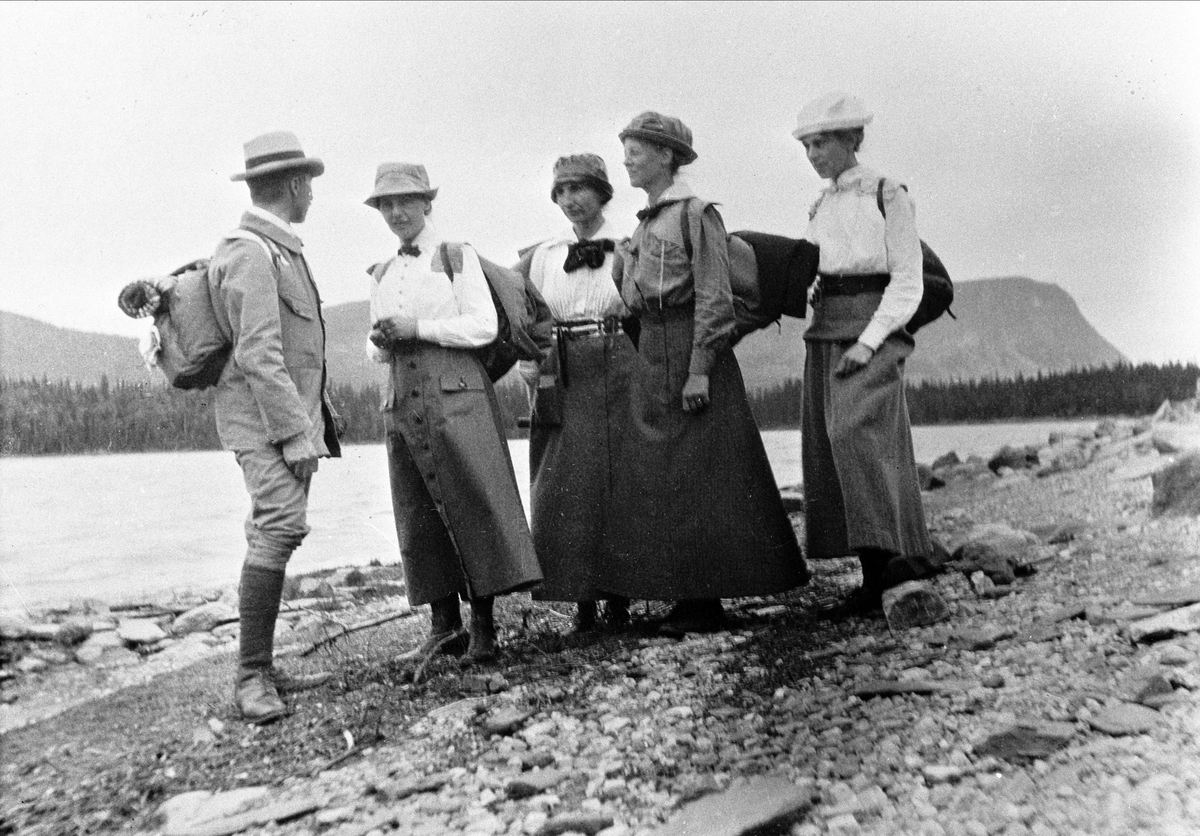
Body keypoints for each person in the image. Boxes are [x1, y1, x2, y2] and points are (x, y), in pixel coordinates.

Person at [605, 112, 808, 633]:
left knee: (701, 473)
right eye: (625, 150)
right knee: (664, 474)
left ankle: (704, 602)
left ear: (667, 155)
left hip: (691, 349)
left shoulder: (696, 215)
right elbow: (634, 299)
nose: (627, 160)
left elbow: (715, 297)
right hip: (653, 352)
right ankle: (686, 593)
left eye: (637, 150)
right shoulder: (644, 223)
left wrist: (699, 370)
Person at [364, 162, 542, 666]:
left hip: (456, 391)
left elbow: (483, 326)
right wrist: (380, 340)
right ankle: (444, 628)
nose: (396, 212)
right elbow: (373, 351)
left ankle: (484, 629)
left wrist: (417, 328)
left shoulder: (455, 255)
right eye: (386, 204)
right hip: (402, 396)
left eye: (406, 201)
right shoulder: (382, 271)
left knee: (474, 500)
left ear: (427, 203)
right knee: (416, 511)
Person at [208, 131, 342, 724]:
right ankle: (251, 677)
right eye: (308, 184)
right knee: (280, 526)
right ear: (293, 184)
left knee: (273, 527)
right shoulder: (251, 252)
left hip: (287, 418)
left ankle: (262, 664)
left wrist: (311, 422)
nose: (311, 193)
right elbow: (259, 353)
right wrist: (293, 434)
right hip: (266, 424)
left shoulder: (279, 248)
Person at [793, 92, 935, 614]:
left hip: (873, 327)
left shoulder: (886, 192)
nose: (813, 154)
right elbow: (815, 267)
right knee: (832, 448)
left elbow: (908, 279)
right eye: (807, 145)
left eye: (822, 142)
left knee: (860, 438)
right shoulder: (821, 204)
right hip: (826, 328)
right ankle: (883, 567)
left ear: (852, 139)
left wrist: (870, 340)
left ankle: (885, 572)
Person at [514, 154, 637, 633]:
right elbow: (527, 317)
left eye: (579, 188)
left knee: (617, 477)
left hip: (617, 361)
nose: (570, 199)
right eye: (561, 191)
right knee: (563, 482)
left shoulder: (628, 243)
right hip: (560, 368)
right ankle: (579, 602)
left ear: (602, 193)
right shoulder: (545, 255)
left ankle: (620, 598)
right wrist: (529, 363)